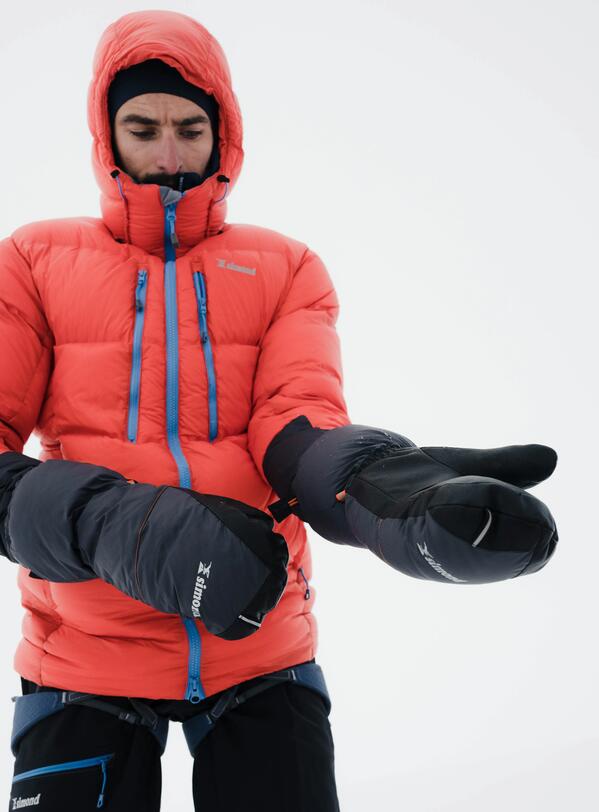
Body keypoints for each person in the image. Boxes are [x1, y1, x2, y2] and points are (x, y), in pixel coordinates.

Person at [0, 9, 559, 812]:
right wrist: (117, 526)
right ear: (105, 133)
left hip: (258, 639)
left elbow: (296, 429)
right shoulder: (32, 262)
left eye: (192, 129)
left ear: (225, 135)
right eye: (143, 128)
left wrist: (384, 489)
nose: (169, 156)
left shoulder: (285, 267)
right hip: (83, 652)